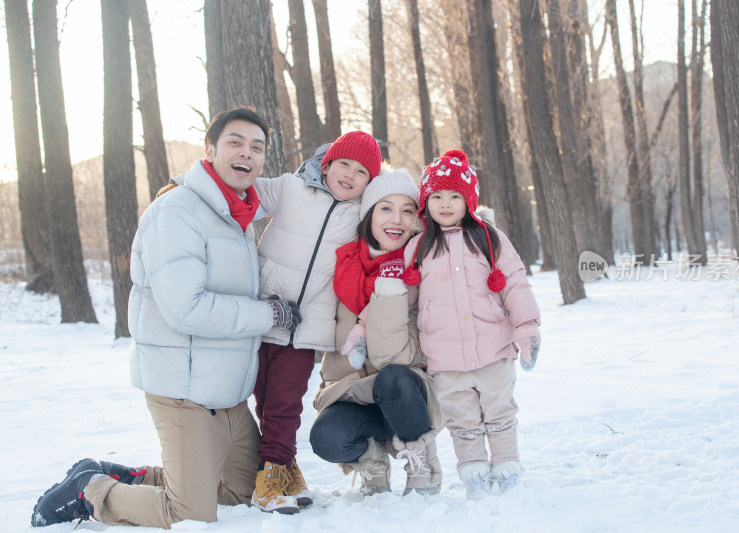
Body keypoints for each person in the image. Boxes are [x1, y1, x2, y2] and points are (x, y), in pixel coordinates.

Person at [31, 108, 302, 529]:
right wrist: (268, 314)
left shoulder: (236, 216)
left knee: (244, 493)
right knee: (190, 513)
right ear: (209, 150)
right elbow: (187, 308)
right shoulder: (177, 212)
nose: (246, 154)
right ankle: (91, 492)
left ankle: (130, 477)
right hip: (183, 391)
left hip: (227, 394)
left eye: (257, 147)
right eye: (235, 143)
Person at [246, 130, 382, 513]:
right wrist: (186, 187)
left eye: (362, 172)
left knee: (286, 402)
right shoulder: (289, 188)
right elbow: (240, 191)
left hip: (306, 328)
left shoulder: (361, 214)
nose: (350, 175)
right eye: (344, 165)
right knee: (264, 397)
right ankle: (285, 465)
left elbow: (400, 220)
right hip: (263, 313)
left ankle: (271, 475)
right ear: (327, 164)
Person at [401, 149, 542, 500]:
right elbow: (403, 296)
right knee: (462, 419)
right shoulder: (419, 246)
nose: (445, 204)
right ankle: (475, 474)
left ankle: (507, 466)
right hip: (444, 354)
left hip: (493, 347)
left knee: (499, 411)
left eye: (454, 196)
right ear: (426, 202)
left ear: (468, 200)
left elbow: (514, 280)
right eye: (436, 196)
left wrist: (526, 326)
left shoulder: (488, 237)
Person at [309, 166, 445, 497]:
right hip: (354, 390)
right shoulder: (342, 267)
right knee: (326, 437)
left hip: (409, 394)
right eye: (386, 208)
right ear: (369, 214)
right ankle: (372, 460)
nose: (396, 220)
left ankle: (421, 460)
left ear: (418, 218)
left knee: (394, 378)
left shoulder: (423, 267)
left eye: (407, 210)